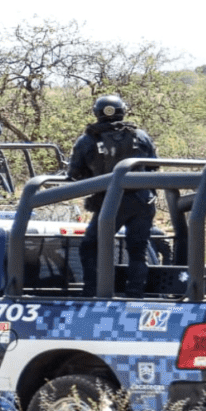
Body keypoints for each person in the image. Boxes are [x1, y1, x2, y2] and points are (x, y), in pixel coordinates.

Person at [68, 94, 159, 296]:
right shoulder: (141, 136)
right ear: (122, 111)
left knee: (90, 247)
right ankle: (135, 293)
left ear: (96, 113)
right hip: (142, 201)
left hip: (109, 203)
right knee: (138, 251)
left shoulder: (88, 139)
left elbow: (73, 173)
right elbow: (154, 166)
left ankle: (93, 291)